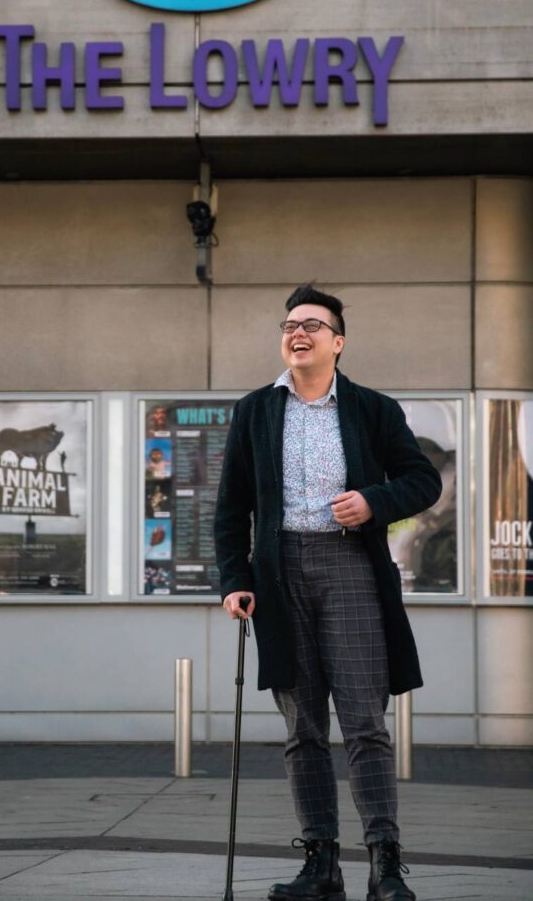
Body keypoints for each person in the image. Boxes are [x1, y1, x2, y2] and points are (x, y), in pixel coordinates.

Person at [214, 283, 442, 901]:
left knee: (365, 722)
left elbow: (423, 480)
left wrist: (373, 501)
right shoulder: (255, 410)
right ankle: (321, 865)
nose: (299, 332)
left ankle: (384, 864)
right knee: (304, 729)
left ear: (337, 343)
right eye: (290, 324)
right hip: (279, 576)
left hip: (351, 569)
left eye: (313, 325)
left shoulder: (372, 408)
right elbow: (231, 508)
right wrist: (236, 580)